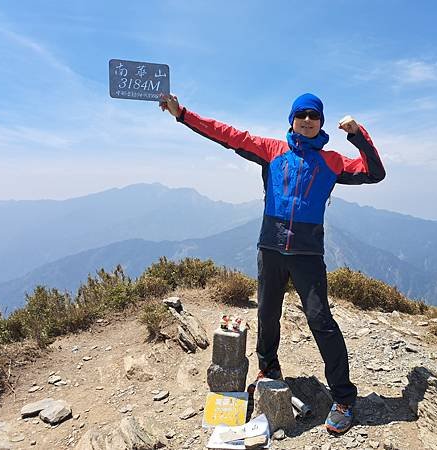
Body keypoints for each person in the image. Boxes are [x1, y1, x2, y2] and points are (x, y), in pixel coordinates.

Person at [160, 92, 386, 434]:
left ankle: (343, 398)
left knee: (320, 320)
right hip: (271, 248)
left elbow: (375, 172)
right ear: (292, 119)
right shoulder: (271, 151)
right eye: (301, 115)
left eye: (314, 116)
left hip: (308, 254)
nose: (307, 120)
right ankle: (268, 371)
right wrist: (183, 114)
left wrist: (358, 135)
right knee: (267, 313)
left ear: (321, 122)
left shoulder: (333, 161)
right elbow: (227, 134)